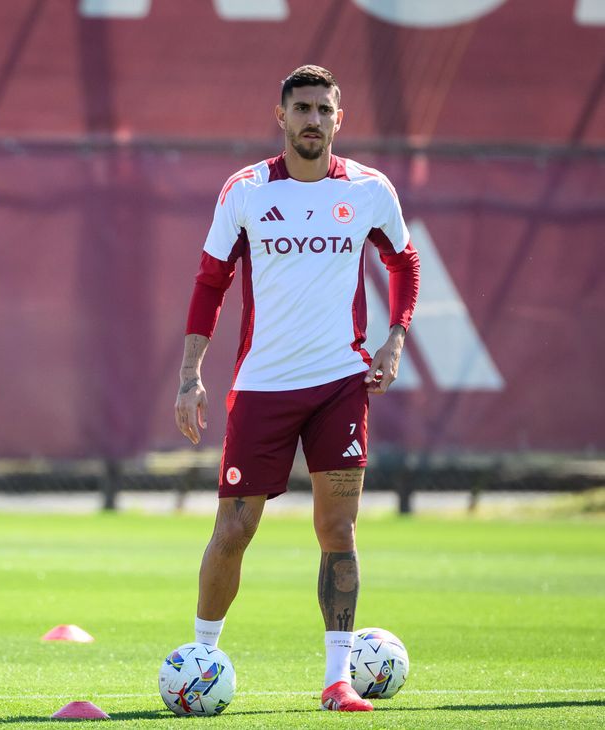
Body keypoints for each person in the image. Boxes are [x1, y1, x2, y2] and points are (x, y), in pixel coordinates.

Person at [173, 65, 420, 712]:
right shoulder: (246, 191)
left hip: (341, 383)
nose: (313, 119)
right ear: (279, 116)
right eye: (302, 108)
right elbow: (209, 283)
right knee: (233, 529)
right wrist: (190, 375)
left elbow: (404, 263)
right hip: (262, 387)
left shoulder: (369, 190)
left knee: (338, 529)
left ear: (341, 120)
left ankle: (338, 680)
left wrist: (394, 339)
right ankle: (203, 656)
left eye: (324, 110)